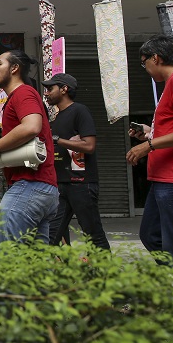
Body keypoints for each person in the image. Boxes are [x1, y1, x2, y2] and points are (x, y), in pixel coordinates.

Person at [0, 50, 58, 244]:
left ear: (14, 68)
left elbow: (31, 126)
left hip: (29, 186)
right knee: (36, 267)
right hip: (42, 188)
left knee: (7, 260)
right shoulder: (21, 95)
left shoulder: (23, 93)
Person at [127, 34, 173, 262]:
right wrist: (149, 132)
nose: (145, 69)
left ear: (156, 58)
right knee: (152, 235)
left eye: (144, 63)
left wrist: (149, 145)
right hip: (163, 179)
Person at [43, 73, 110, 250]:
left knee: (93, 235)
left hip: (82, 184)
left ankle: (106, 276)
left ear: (64, 89)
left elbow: (89, 146)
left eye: (50, 89)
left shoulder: (79, 111)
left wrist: (58, 140)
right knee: (50, 236)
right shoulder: (57, 117)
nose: (46, 93)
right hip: (61, 184)